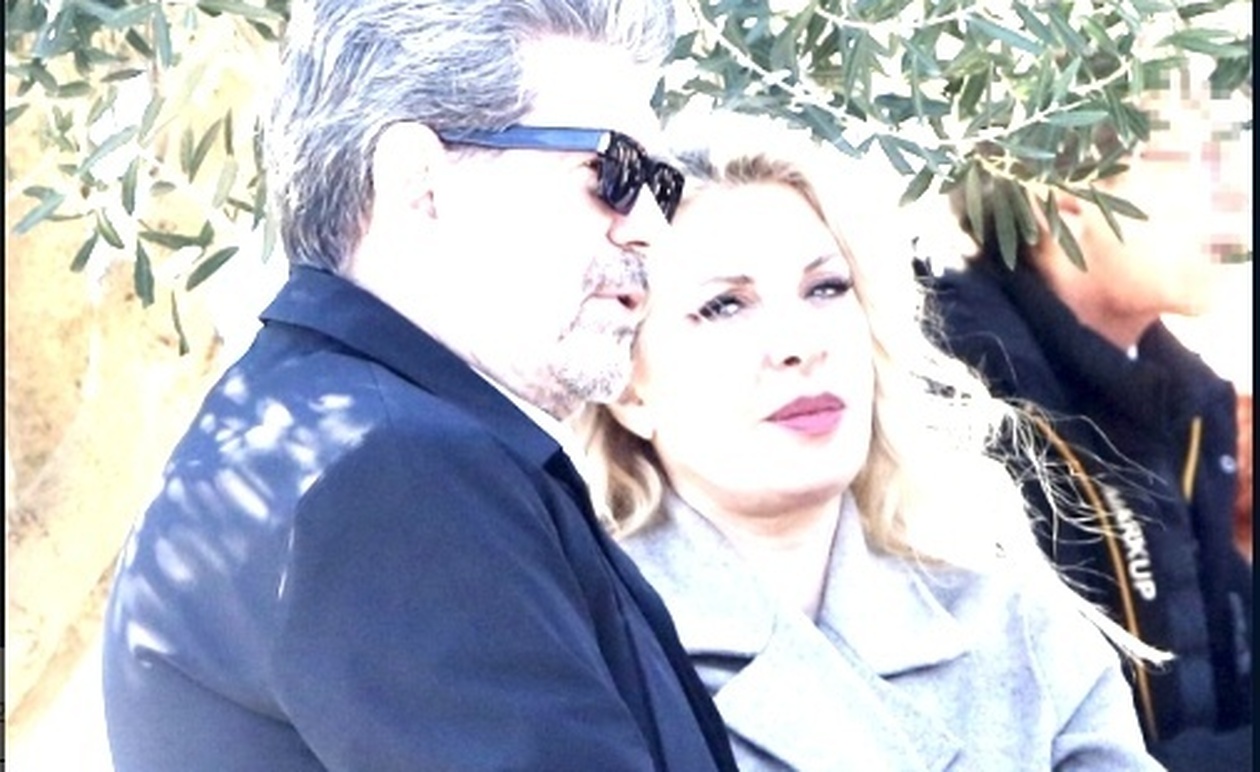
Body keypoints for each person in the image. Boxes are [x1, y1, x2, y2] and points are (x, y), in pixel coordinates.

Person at [100, 2, 738, 770]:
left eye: (661, 185)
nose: (649, 227)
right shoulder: (387, 472)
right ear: (419, 183)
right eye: (613, 171)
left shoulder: (324, 434)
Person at [576, 111, 1166, 770]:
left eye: (825, 289)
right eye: (725, 305)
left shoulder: (1016, 624)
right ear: (626, 387)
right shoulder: (579, 642)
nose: (801, 344)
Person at [928, 83, 1253, 769]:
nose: (1236, 193)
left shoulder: (1193, 401)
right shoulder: (963, 396)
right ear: (1064, 191)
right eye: (1198, 159)